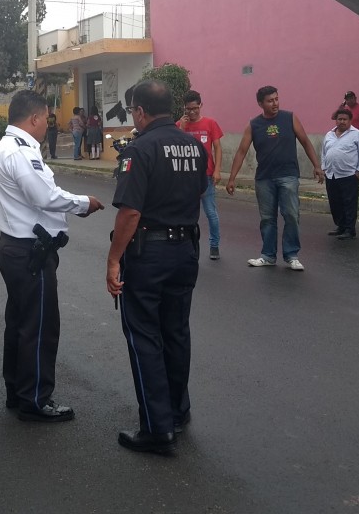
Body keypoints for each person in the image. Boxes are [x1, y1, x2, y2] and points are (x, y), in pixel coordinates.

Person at [106, 79, 208, 454]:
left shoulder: (140, 149)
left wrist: (114, 258)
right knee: (176, 332)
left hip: (149, 254)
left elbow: (131, 211)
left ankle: (156, 427)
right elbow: (198, 190)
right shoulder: (195, 147)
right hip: (185, 250)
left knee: (145, 337)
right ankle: (178, 412)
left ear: (139, 111)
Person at [0, 90, 104, 422]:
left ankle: (17, 391)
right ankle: (36, 399)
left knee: (20, 323)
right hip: (30, 253)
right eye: (46, 119)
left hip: (15, 247)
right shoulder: (21, 153)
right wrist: (84, 203)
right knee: (39, 327)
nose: (47, 125)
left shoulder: (5, 148)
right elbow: (45, 196)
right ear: (35, 118)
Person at [225, 86, 324, 270]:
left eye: (277, 99)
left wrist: (317, 166)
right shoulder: (253, 125)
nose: (275, 103)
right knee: (267, 218)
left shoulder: (289, 118)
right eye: (270, 101)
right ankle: (268, 255)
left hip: (288, 175)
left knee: (291, 215)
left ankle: (291, 255)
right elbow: (241, 151)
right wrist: (232, 178)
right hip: (264, 178)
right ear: (260, 104)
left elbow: (305, 141)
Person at [178, 90, 224, 259]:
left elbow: (218, 148)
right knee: (187, 213)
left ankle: (214, 245)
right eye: (188, 109)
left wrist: (217, 169)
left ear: (201, 106)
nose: (192, 112)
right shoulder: (180, 125)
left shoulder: (210, 124)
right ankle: (187, 245)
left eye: (195, 108)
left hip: (206, 176)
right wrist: (182, 129)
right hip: (186, 178)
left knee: (211, 212)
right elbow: (178, 147)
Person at [321, 108, 359, 240]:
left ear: (350, 120)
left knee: (349, 203)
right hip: (331, 175)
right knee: (335, 202)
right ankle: (340, 226)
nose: (342, 121)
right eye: (339, 119)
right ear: (336, 120)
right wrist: (324, 168)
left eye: (345, 119)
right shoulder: (329, 135)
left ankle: (350, 229)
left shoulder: (358, 135)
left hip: (349, 176)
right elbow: (324, 153)